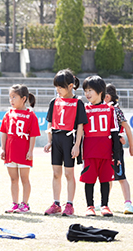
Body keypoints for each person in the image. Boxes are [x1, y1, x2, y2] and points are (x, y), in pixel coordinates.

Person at [44, 69, 87, 216]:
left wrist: (77, 145)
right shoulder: (54, 102)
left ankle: (69, 204)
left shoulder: (78, 103)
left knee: (69, 173)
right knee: (56, 173)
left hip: (69, 140)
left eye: (61, 87)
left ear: (70, 86)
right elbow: (50, 123)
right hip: (56, 139)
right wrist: (49, 141)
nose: (58, 90)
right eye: (56, 87)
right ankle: (56, 203)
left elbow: (80, 126)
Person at [80, 76, 121, 217]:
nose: (87, 93)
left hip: (106, 151)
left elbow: (115, 133)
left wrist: (117, 155)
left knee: (105, 179)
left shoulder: (110, 110)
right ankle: (89, 206)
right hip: (89, 152)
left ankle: (105, 206)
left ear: (100, 91)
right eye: (85, 90)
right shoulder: (83, 109)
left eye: (90, 90)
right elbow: (78, 133)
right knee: (89, 180)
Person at [0, 84, 41, 213]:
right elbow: (4, 132)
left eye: (14, 97)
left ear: (23, 99)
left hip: (24, 152)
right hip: (11, 152)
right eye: (10, 97)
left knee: (24, 178)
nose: (11, 100)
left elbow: (33, 135)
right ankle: (14, 204)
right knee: (13, 179)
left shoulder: (31, 115)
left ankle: (25, 204)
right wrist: (3, 149)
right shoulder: (8, 114)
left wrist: (30, 151)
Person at [105, 84, 133, 214]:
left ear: (107, 96)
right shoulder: (101, 109)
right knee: (106, 177)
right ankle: (104, 202)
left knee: (121, 176)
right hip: (104, 147)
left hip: (116, 149)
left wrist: (131, 145)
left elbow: (126, 127)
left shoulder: (115, 110)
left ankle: (128, 203)